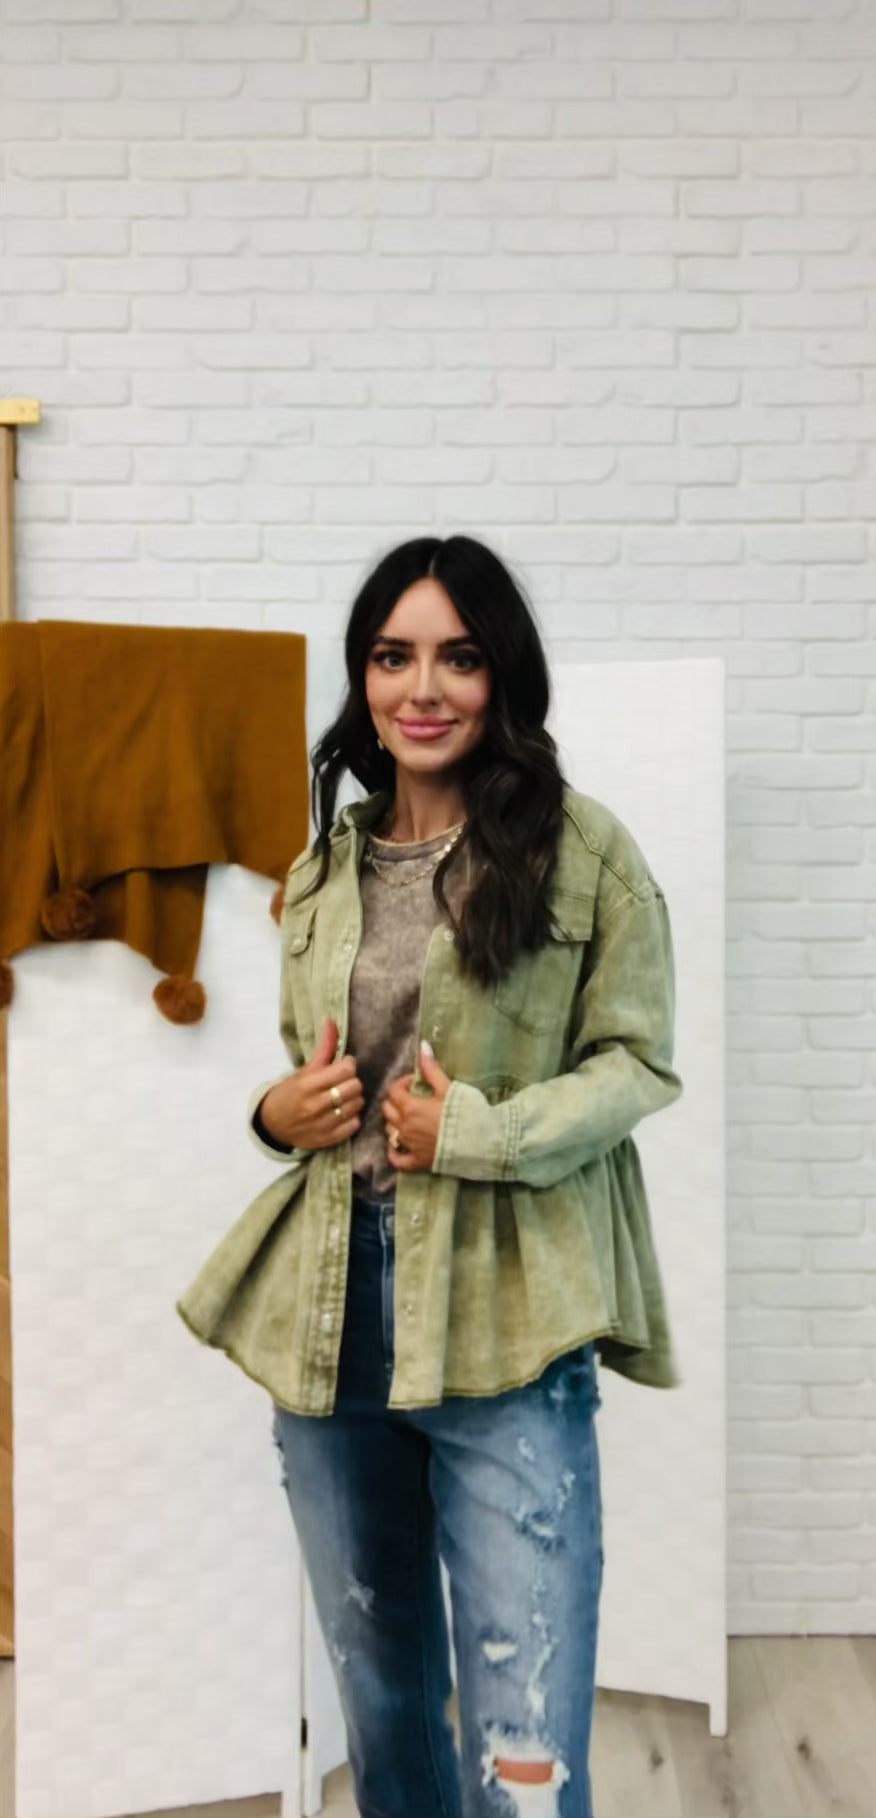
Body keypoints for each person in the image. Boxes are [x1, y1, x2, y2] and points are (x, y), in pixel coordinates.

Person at [176, 533, 683, 1818]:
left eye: (457, 657)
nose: (422, 687)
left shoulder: (584, 853)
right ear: (361, 678)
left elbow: (636, 1066)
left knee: (523, 1735)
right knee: (385, 1708)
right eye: (391, 656)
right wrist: (274, 1113)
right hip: (333, 1311)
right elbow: (311, 1074)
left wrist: (479, 1134)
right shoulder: (323, 867)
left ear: (501, 674)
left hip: (509, 1320)